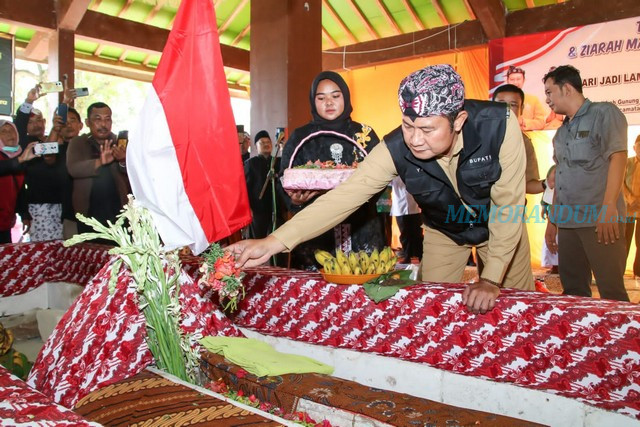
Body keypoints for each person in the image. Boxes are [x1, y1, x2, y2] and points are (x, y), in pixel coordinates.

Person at [232, 64, 535, 314]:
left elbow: (508, 206)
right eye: (407, 125)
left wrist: (492, 278)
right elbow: (345, 196)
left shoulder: (499, 126)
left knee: (517, 307)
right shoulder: (394, 147)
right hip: (446, 230)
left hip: (501, 226)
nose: (414, 139)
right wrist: (273, 242)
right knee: (433, 309)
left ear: (459, 121)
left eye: (427, 129)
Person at [278, 70, 386, 269]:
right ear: (313, 101)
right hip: (315, 233)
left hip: (363, 229)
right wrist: (293, 200)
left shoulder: (365, 134)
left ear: (345, 96)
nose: (329, 103)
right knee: (315, 294)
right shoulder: (300, 137)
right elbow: (284, 177)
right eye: (321, 98)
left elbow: (381, 178)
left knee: (363, 290)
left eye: (335, 96)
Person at [543, 65, 629, 301]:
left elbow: (618, 157)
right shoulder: (560, 133)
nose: (547, 100)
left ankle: (621, 338)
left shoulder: (604, 113)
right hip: (568, 222)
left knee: (611, 290)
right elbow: (561, 177)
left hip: (600, 218)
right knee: (573, 292)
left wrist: (609, 207)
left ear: (567, 88)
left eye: (550, 92)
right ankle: (581, 337)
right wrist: (553, 220)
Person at [66, 102, 129, 234]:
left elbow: (134, 176)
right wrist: (100, 162)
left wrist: (123, 160)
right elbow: (73, 169)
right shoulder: (78, 142)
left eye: (107, 119)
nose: (103, 124)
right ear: (87, 122)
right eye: (98, 119)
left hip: (119, 213)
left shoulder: (120, 142)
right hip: (88, 213)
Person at [492, 84, 546, 195]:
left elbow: (528, 184)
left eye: (513, 105)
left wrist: (547, 183)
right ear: (491, 105)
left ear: (521, 109)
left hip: (512, 210)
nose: (507, 109)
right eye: (501, 104)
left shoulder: (524, 142)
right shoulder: (478, 136)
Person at [0, 120, 38, 243]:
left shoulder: (17, 156)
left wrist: (24, 214)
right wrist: (20, 159)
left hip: (5, 222)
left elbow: (19, 188)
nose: (10, 134)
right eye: (4, 131)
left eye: (12, 130)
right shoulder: (19, 159)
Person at [244, 130, 285, 240]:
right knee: (258, 240)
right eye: (262, 143)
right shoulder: (251, 164)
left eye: (268, 142)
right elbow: (245, 189)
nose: (266, 145)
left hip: (277, 209)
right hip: (258, 210)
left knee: (277, 240)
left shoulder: (279, 162)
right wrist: (248, 209)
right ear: (256, 146)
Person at [390, 176, 422, 263]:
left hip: (414, 206)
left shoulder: (410, 170)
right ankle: (407, 256)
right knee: (404, 234)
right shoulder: (393, 174)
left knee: (417, 233)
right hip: (400, 208)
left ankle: (420, 256)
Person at [506, 66, 547, 131]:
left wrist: (524, 122)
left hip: (527, 137)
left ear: (524, 80)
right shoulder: (501, 100)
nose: (515, 82)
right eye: (512, 79)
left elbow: (541, 122)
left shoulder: (533, 99)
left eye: (518, 79)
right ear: (507, 81)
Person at [623, 135, 640, 278]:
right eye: (638, 146)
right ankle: (618, 271)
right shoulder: (626, 163)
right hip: (627, 209)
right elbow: (620, 183)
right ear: (634, 148)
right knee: (623, 241)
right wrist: (630, 199)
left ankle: (638, 272)